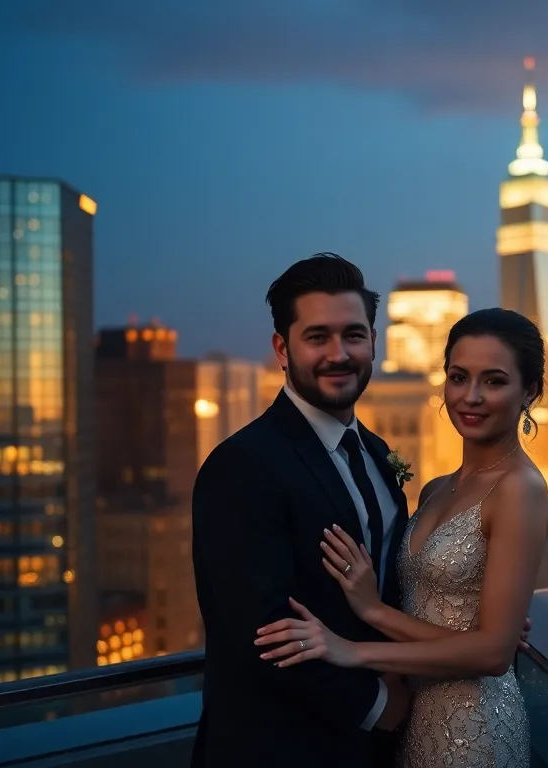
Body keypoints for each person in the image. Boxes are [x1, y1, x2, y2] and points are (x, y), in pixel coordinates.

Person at [254, 307, 548, 768]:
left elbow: (493, 652)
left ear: (528, 390)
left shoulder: (521, 489)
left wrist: (355, 642)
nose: (470, 397)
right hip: (412, 719)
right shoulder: (436, 489)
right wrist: (375, 609)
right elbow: (439, 609)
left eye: (493, 381)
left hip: (473, 730)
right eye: (458, 377)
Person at [191, 254, 412, 766]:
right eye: (318, 337)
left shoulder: (379, 454)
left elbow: (393, 580)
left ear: (374, 342)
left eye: (354, 335)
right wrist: (379, 705)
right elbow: (260, 633)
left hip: (373, 751)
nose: (339, 354)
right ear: (282, 349)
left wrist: (472, 626)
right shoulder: (242, 466)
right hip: (279, 749)